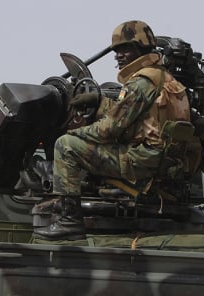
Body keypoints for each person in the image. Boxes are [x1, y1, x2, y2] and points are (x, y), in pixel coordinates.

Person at [33, 20, 194, 240]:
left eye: (124, 49)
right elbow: (136, 116)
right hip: (162, 163)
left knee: (65, 146)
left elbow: (108, 130)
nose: (118, 55)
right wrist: (99, 101)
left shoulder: (140, 83)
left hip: (140, 161)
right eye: (116, 51)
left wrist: (73, 134)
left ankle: (69, 220)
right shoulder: (166, 79)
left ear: (139, 49)